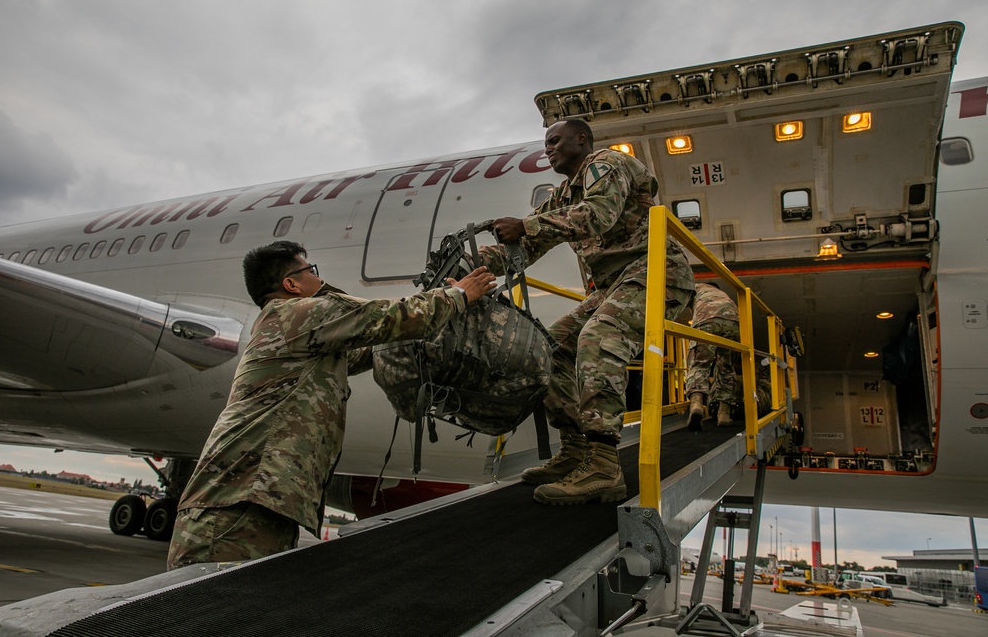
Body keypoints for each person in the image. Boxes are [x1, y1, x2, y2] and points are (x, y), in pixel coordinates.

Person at [166, 241, 496, 569]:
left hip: (258, 502)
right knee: (212, 616)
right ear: (291, 284)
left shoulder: (301, 333)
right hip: (236, 506)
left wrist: (437, 329)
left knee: (242, 614)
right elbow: (388, 317)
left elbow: (371, 349)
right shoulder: (295, 314)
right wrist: (459, 295)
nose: (319, 279)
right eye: (311, 271)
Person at [479, 118, 695, 505]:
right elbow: (526, 247)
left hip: (655, 274)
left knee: (599, 336)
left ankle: (603, 465)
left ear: (582, 139)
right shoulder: (564, 194)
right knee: (548, 347)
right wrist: (472, 265)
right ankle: (576, 449)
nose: (548, 148)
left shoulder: (605, 164)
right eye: (545, 143)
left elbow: (598, 215)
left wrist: (525, 225)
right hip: (617, 285)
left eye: (554, 140)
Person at [685, 282, 740, 431]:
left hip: (706, 318)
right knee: (726, 366)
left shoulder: (694, 286)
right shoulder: (724, 295)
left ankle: (696, 405)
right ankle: (724, 414)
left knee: (699, 363)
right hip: (733, 321)